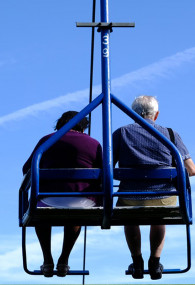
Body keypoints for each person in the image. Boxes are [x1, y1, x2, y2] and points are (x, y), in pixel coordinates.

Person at [113, 96, 195, 280]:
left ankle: (137, 261)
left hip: (130, 197)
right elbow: (191, 169)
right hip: (164, 196)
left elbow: (107, 166)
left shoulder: (121, 133)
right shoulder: (171, 134)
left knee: (129, 217)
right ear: (156, 115)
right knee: (159, 215)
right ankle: (155, 262)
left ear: (133, 114)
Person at [23, 111, 102, 277]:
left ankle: (47, 259)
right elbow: (104, 173)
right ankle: (64, 260)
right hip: (83, 201)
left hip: (48, 199)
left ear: (60, 124)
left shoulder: (46, 141)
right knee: (76, 214)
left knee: (41, 214)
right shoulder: (94, 144)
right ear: (83, 126)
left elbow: (26, 169)